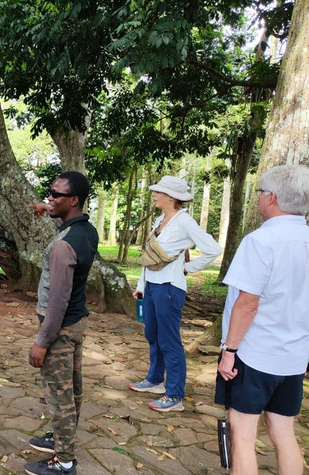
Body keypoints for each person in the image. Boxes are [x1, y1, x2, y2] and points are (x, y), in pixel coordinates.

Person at [215, 164, 309, 475]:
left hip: (255, 353)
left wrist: (229, 351)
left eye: (260, 193)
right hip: (294, 355)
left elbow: (247, 304)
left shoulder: (260, 241)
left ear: (271, 196)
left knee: (242, 433)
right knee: (283, 432)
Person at [24, 172, 98, 475]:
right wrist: (48, 210)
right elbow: (66, 225)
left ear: (74, 200)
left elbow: (57, 299)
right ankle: (60, 438)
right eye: (49, 193)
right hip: (76, 322)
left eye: (56, 195)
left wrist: (42, 341)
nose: (50, 198)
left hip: (60, 327)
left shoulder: (63, 246)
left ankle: (64, 461)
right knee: (73, 389)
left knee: (59, 395)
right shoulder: (86, 230)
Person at [129, 175, 221, 412]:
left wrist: (188, 267)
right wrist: (141, 285)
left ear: (171, 196)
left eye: (158, 192)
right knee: (152, 334)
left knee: (170, 341)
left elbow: (212, 249)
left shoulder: (184, 222)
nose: (155, 195)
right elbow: (149, 257)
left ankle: (175, 395)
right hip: (151, 285)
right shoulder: (160, 219)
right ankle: (155, 380)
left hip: (169, 287)